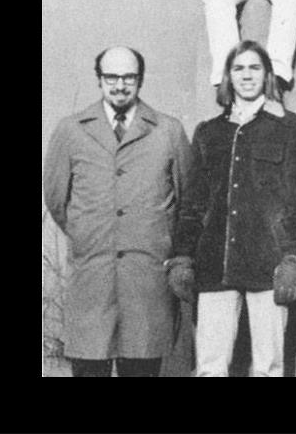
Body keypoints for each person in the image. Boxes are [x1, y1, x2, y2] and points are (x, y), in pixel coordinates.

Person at [169, 40, 296, 376]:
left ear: (267, 75)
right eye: (238, 68)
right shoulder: (209, 132)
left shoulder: (291, 128)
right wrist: (182, 256)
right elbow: (193, 203)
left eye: (255, 68)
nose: (247, 75)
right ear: (228, 76)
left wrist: (293, 258)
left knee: (268, 367)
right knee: (210, 367)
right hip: (215, 265)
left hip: (269, 264)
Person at [43, 46, 192, 377]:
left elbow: (186, 201)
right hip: (93, 278)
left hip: (146, 282)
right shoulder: (71, 130)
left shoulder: (168, 131)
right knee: (89, 366)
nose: (120, 85)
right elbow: (56, 199)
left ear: (141, 80)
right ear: (99, 79)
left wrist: (156, 238)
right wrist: (90, 232)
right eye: (111, 77)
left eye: (129, 77)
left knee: (141, 367)